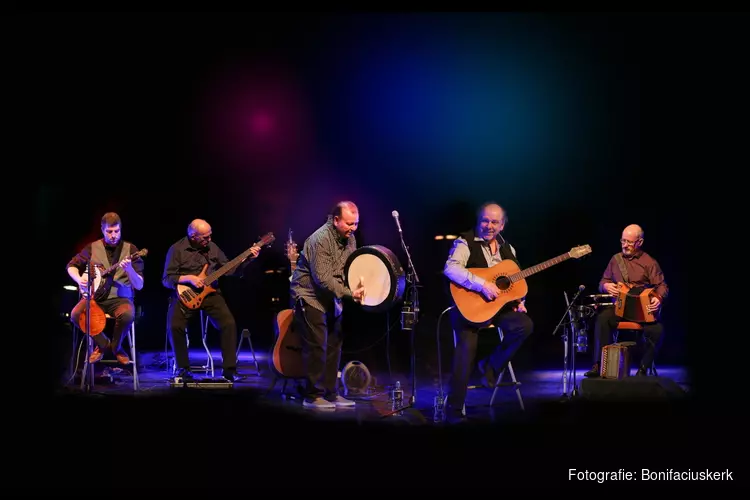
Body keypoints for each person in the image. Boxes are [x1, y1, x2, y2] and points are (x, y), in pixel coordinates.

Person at [443, 202, 534, 422]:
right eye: (485, 220)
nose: (489, 225)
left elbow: (514, 281)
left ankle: (491, 366)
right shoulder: (465, 242)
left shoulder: (508, 249)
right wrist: (481, 285)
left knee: (525, 325)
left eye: (494, 222)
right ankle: (454, 410)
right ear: (478, 221)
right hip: (469, 308)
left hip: (497, 309)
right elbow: (451, 268)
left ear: (502, 225)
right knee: (466, 351)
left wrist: (519, 301)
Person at [289, 201, 366, 409]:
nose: (353, 228)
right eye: (349, 223)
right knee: (317, 346)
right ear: (336, 220)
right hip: (310, 296)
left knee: (334, 346)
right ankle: (312, 395)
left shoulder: (350, 239)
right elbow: (322, 278)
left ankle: (331, 393)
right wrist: (351, 294)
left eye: (356, 224)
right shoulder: (319, 239)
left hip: (332, 298)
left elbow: (349, 269)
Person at [162, 219, 259, 382]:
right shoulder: (176, 249)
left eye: (210, 236)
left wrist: (248, 259)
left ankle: (229, 371)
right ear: (193, 236)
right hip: (184, 293)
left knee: (228, 323)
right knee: (174, 325)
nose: (209, 240)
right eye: (205, 237)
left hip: (211, 293)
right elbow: (166, 279)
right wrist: (189, 279)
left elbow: (229, 270)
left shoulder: (213, 248)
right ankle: (183, 370)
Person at [585, 224, 668, 377]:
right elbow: (603, 281)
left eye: (629, 242)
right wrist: (606, 286)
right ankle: (598, 365)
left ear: (640, 242)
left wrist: (658, 298)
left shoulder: (649, 262)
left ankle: (643, 369)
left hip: (640, 309)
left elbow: (662, 286)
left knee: (658, 330)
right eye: (623, 241)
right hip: (620, 306)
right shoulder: (615, 260)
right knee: (603, 319)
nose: (625, 245)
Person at [67, 212, 145, 364]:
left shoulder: (131, 249)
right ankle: (103, 344)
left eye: (117, 231)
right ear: (102, 230)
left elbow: (139, 285)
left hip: (120, 298)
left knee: (128, 315)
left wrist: (129, 269)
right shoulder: (92, 248)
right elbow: (71, 266)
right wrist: (79, 279)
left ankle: (116, 347)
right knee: (76, 314)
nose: (114, 235)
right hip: (95, 298)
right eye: (109, 231)